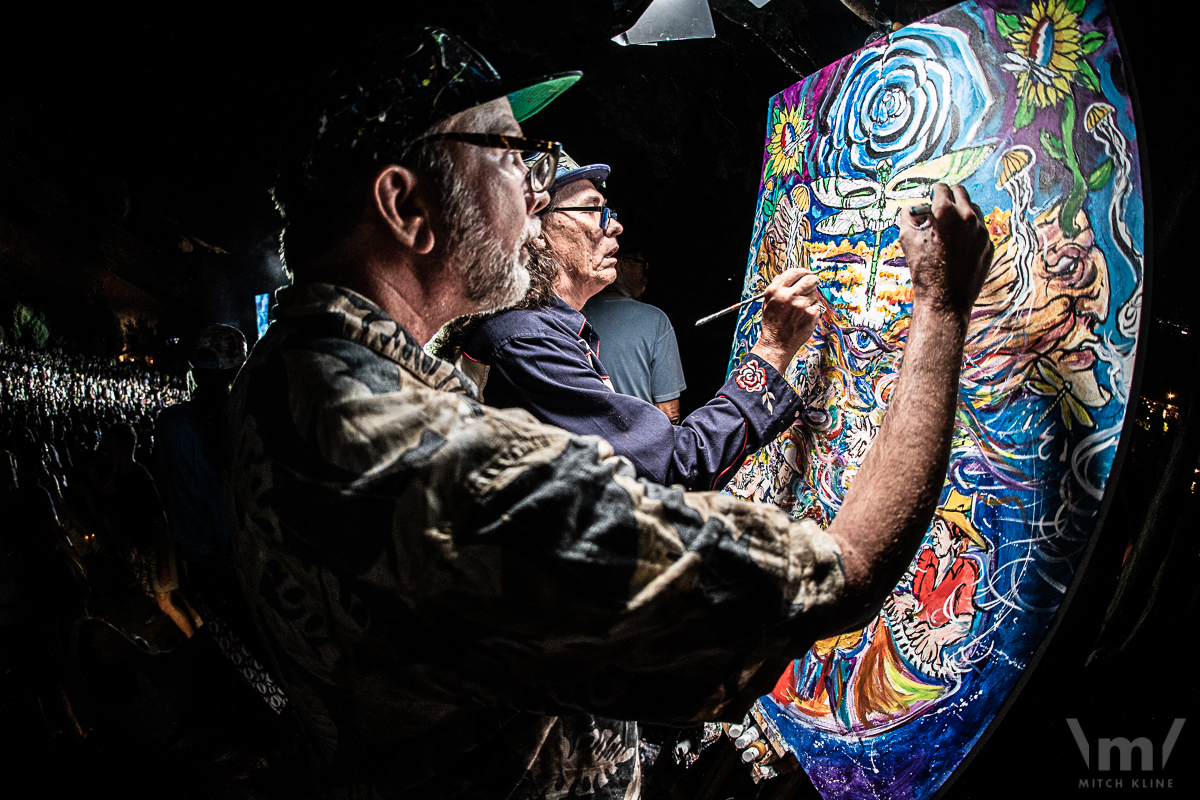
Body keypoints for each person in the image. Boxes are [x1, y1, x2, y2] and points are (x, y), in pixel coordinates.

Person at [227, 25, 993, 800]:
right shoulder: (420, 461)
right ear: (407, 206)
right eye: (505, 153)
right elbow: (841, 575)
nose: (532, 189)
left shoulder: (281, 376)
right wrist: (940, 308)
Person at [460, 155, 819, 491]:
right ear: (533, 230)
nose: (614, 225)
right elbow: (678, 466)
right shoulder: (526, 339)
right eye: (592, 209)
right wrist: (772, 348)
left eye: (608, 210)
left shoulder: (544, 327)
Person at [583, 252, 687, 423]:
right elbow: (669, 413)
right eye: (642, 266)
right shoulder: (655, 319)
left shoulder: (573, 315)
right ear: (621, 264)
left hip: (584, 443)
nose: (645, 279)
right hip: (637, 443)